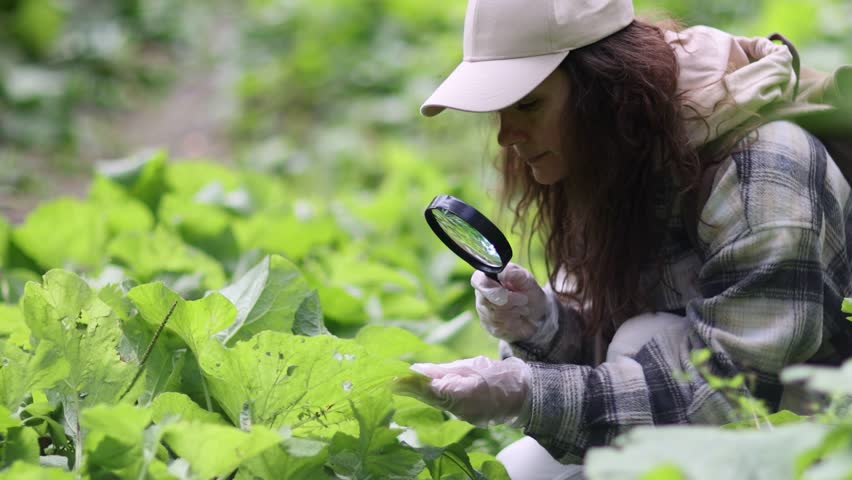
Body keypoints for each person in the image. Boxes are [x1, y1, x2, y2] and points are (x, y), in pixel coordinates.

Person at [403, 0, 852, 478]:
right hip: (730, 429)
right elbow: (610, 356)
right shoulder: (621, 147)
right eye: (500, 109)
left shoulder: (759, 172)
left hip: (820, 433)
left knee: (645, 339)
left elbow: (732, 391)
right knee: (521, 469)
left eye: (529, 104)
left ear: (605, 87)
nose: (506, 136)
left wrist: (523, 394)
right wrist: (540, 325)